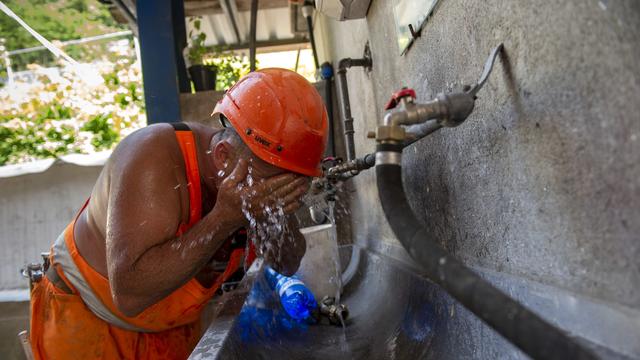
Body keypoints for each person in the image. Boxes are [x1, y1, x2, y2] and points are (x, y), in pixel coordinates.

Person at [28, 68, 328, 359]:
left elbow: (287, 263)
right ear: (223, 156)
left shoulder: (258, 178)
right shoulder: (154, 158)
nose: (275, 192)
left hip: (172, 328)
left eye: (290, 183)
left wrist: (269, 212)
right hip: (90, 323)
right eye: (272, 182)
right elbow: (130, 295)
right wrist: (224, 218)